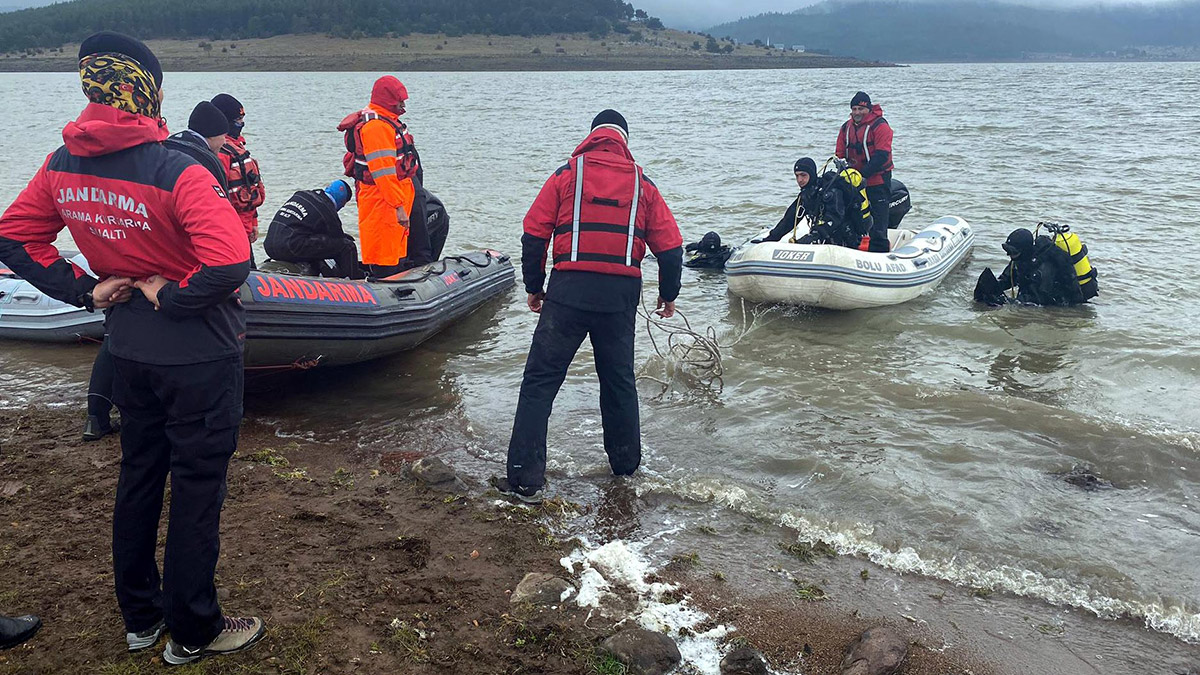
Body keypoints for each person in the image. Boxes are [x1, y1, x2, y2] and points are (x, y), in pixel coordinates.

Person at [0, 32, 263, 665]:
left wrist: (87, 290)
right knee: (198, 490)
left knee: (140, 478)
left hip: (128, 353)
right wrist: (169, 297)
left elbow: (14, 236)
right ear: (146, 92)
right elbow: (231, 263)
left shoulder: (63, 162)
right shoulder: (177, 167)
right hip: (199, 354)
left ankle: (141, 622)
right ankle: (195, 631)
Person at [493, 110, 684, 504]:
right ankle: (626, 473)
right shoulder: (643, 184)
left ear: (592, 136)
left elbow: (533, 232)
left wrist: (534, 286)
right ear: (624, 140)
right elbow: (671, 247)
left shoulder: (567, 175)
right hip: (619, 298)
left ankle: (525, 481)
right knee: (618, 384)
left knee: (540, 383)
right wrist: (669, 294)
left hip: (568, 293)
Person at [338, 76, 433, 278]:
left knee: (396, 251)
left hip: (397, 194)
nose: (403, 105)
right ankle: (382, 284)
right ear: (389, 99)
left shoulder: (388, 121)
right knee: (384, 253)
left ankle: (398, 282)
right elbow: (383, 173)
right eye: (400, 100)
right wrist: (398, 206)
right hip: (382, 200)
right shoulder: (376, 127)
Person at [763, 157, 871, 248]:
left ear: (811, 174)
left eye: (803, 175)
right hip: (827, 239)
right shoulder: (806, 195)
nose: (800, 180)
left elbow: (835, 218)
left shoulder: (830, 191)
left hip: (847, 237)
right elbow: (789, 220)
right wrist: (770, 239)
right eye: (797, 176)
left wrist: (814, 235)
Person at [263, 180, 360, 278]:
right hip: (291, 247)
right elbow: (339, 240)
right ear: (342, 202)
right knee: (347, 246)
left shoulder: (301, 195)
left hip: (269, 246)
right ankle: (355, 282)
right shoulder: (328, 210)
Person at [211, 93, 265, 265]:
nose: (241, 124)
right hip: (232, 232)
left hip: (245, 228)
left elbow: (249, 188)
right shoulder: (221, 153)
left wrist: (254, 221)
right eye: (237, 120)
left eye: (242, 119)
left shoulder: (237, 147)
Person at [836, 91, 893, 252]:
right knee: (851, 217)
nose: (857, 113)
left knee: (879, 223)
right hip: (853, 183)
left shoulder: (880, 126)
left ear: (868, 108)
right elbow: (840, 154)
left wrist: (863, 175)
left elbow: (882, 155)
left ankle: (881, 251)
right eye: (854, 109)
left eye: (860, 109)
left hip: (878, 180)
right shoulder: (845, 128)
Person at [973, 228, 1088, 306]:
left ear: (1024, 250)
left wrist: (1009, 302)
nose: (1009, 255)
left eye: (1013, 251)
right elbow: (1007, 279)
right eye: (1007, 250)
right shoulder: (1019, 260)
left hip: (1059, 305)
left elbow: (1039, 300)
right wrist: (991, 289)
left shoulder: (1043, 268)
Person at [164, 101, 229, 188]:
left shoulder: (170, 142)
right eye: (223, 136)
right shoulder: (208, 161)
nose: (225, 142)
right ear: (212, 135)